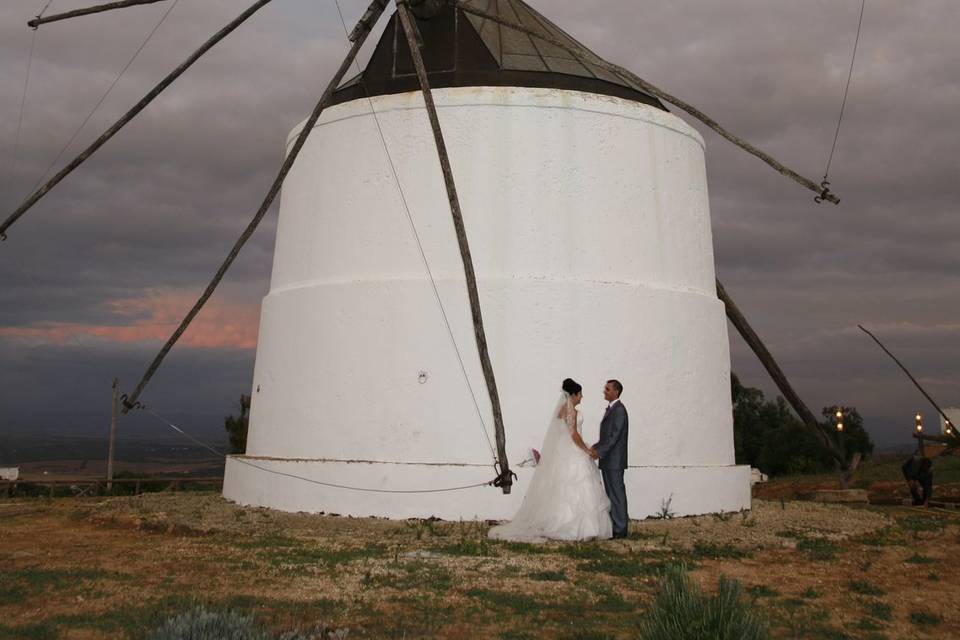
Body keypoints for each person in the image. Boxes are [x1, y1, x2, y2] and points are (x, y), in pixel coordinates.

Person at [488, 378, 612, 542]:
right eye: (580, 394)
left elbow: (562, 434)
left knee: (562, 489)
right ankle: (579, 528)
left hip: (563, 452)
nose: (581, 397)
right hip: (574, 452)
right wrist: (587, 450)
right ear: (573, 395)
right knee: (581, 488)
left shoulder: (561, 410)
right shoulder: (572, 411)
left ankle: (560, 523)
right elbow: (574, 434)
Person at [593, 379, 629, 539]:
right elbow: (606, 437)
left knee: (617, 494)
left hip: (614, 461)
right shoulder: (611, 409)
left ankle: (620, 529)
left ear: (616, 392)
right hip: (608, 460)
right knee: (611, 494)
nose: (604, 391)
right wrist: (593, 447)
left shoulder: (619, 410)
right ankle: (615, 526)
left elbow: (614, 436)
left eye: (607, 389)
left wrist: (599, 451)